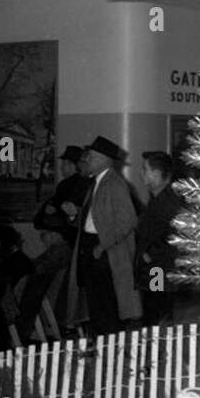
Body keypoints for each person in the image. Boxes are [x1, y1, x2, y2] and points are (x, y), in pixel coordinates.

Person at [64, 136, 142, 336]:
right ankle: (105, 350)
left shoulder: (113, 184)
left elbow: (128, 221)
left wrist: (102, 246)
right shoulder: (98, 182)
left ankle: (109, 351)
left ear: (101, 159)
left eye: (89, 157)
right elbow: (96, 218)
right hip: (94, 247)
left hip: (104, 251)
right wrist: (74, 215)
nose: (86, 161)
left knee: (105, 307)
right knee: (97, 306)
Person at [15, 145, 92, 343]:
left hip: (65, 246)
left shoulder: (71, 186)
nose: (63, 167)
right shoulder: (81, 185)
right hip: (70, 246)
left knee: (34, 278)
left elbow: (48, 215)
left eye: (67, 163)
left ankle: (23, 329)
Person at [135, 151, 183, 324]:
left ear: (156, 174)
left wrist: (148, 254)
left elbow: (172, 236)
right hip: (156, 267)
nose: (142, 174)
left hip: (158, 268)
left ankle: (157, 348)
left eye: (145, 169)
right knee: (154, 307)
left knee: (157, 310)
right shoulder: (159, 198)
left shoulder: (167, 201)